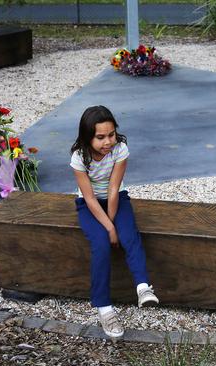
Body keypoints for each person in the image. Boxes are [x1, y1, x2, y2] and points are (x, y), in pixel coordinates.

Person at [70, 105, 159, 338]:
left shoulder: (120, 149)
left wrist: (114, 223)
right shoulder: (79, 157)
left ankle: (143, 287)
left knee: (129, 235)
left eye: (111, 134)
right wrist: (109, 228)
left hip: (116, 199)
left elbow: (112, 188)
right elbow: (89, 198)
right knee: (100, 244)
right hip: (89, 205)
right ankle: (104, 308)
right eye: (100, 137)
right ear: (87, 136)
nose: (107, 141)